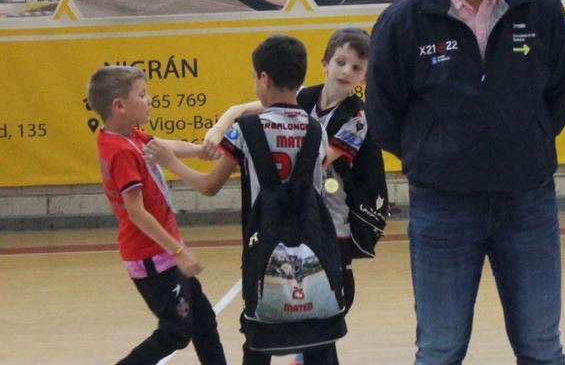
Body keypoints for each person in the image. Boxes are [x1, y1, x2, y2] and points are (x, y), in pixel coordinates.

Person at [365, 0, 565, 365]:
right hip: (442, 207)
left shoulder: (541, 9)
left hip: (528, 201)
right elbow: (384, 115)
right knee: (439, 350)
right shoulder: (404, 21)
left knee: (542, 347)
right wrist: (435, 157)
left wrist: (529, 139)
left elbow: (561, 94)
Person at [145, 35, 338, 365]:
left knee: (258, 338)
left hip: (262, 244)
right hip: (313, 242)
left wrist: (171, 163)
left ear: (263, 79)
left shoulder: (246, 130)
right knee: (317, 332)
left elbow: (209, 186)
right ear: (301, 78)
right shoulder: (316, 129)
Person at [201, 27, 374, 323]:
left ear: (364, 77)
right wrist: (218, 130)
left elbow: (314, 162)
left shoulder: (357, 119)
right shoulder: (302, 97)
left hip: (329, 216)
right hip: (288, 214)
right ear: (325, 63)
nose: (347, 71)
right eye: (341, 62)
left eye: (357, 67)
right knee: (278, 290)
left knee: (332, 296)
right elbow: (242, 109)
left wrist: (253, 147)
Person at [87, 65, 227, 365]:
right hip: (152, 258)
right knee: (176, 332)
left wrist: (200, 151)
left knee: (203, 321)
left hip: (162, 252)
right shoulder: (120, 150)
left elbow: (163, 146)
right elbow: (135, 212)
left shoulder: (129, 136)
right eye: (142, 94)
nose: (150, 99)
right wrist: (179, 252)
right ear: (120, 106)